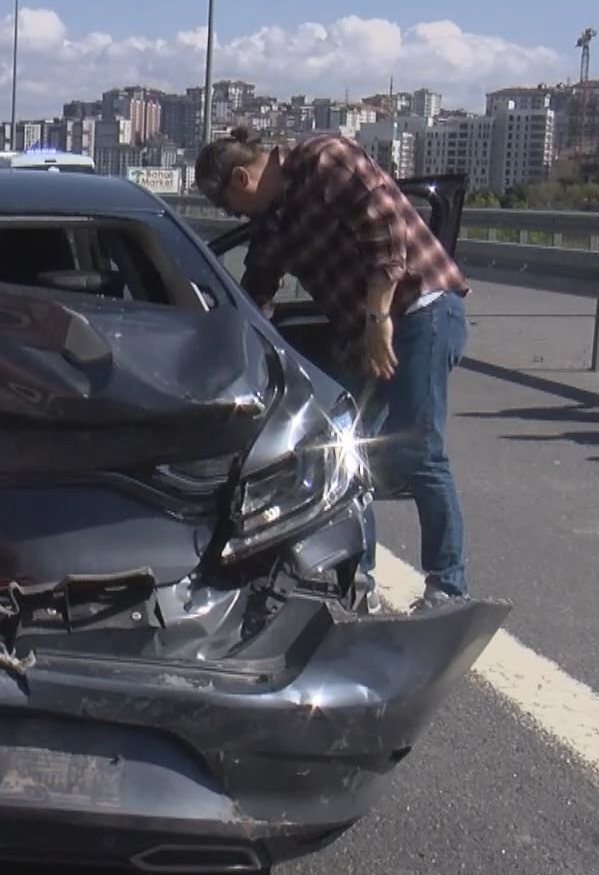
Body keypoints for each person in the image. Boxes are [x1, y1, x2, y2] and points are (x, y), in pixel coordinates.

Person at [194, 128, 472, 610]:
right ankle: (356, 581)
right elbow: (256, 291)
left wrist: (377, 318)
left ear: (241, 177)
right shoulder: (275, 219)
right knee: (343, 453)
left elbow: (386, 229)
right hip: (364, 332)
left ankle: (448, 587)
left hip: (420, 309)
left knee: (419, 450)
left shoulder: (325, 159)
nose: (231, 214)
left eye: (226, 203)